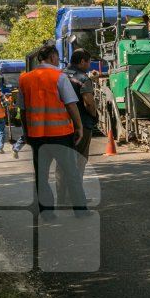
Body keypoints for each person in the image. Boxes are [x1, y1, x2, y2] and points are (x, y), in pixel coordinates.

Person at [18, 44, 89, 218]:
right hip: (60, 135)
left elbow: (22, 110)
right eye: (57, 58)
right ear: (52, 58)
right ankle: (80, 211)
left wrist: (26, 133)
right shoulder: (59, 76)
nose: (58, 61)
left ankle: (47, 213)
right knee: (71, 173)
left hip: (36, 136)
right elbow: (70, 104)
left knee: (41, 176)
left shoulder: (25, 79)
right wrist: (79, 127)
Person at [56, 48, 98, 205]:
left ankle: (61, 199)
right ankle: (77, 200)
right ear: (82, 61)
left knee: (62, 164)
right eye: (88, 62)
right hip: (81, 126)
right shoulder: (83, 78)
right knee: (79, 163)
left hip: (60, 126)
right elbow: (89, 103)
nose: (88, 65)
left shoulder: (59, 76)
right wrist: (94, 115)